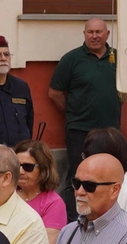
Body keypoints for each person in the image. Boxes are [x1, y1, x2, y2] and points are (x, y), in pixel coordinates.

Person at [50, 18, 120, 203]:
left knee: (108, 173)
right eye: (90, 32)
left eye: (99, 32)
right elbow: (54, 92)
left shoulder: (117, 58)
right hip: (79, 129)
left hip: (110, 131)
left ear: (107, 34)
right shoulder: (71, 59)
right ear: (84, 34)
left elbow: (126, 90)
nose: (94, 36)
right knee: (78, 174)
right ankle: (73, 220)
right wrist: (74, 111)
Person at [14, 139, 68, 244]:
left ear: (43, 168)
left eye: (28, 167)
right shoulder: (8, 193)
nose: (20, 171)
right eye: (16, 165)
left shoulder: (53, 203)